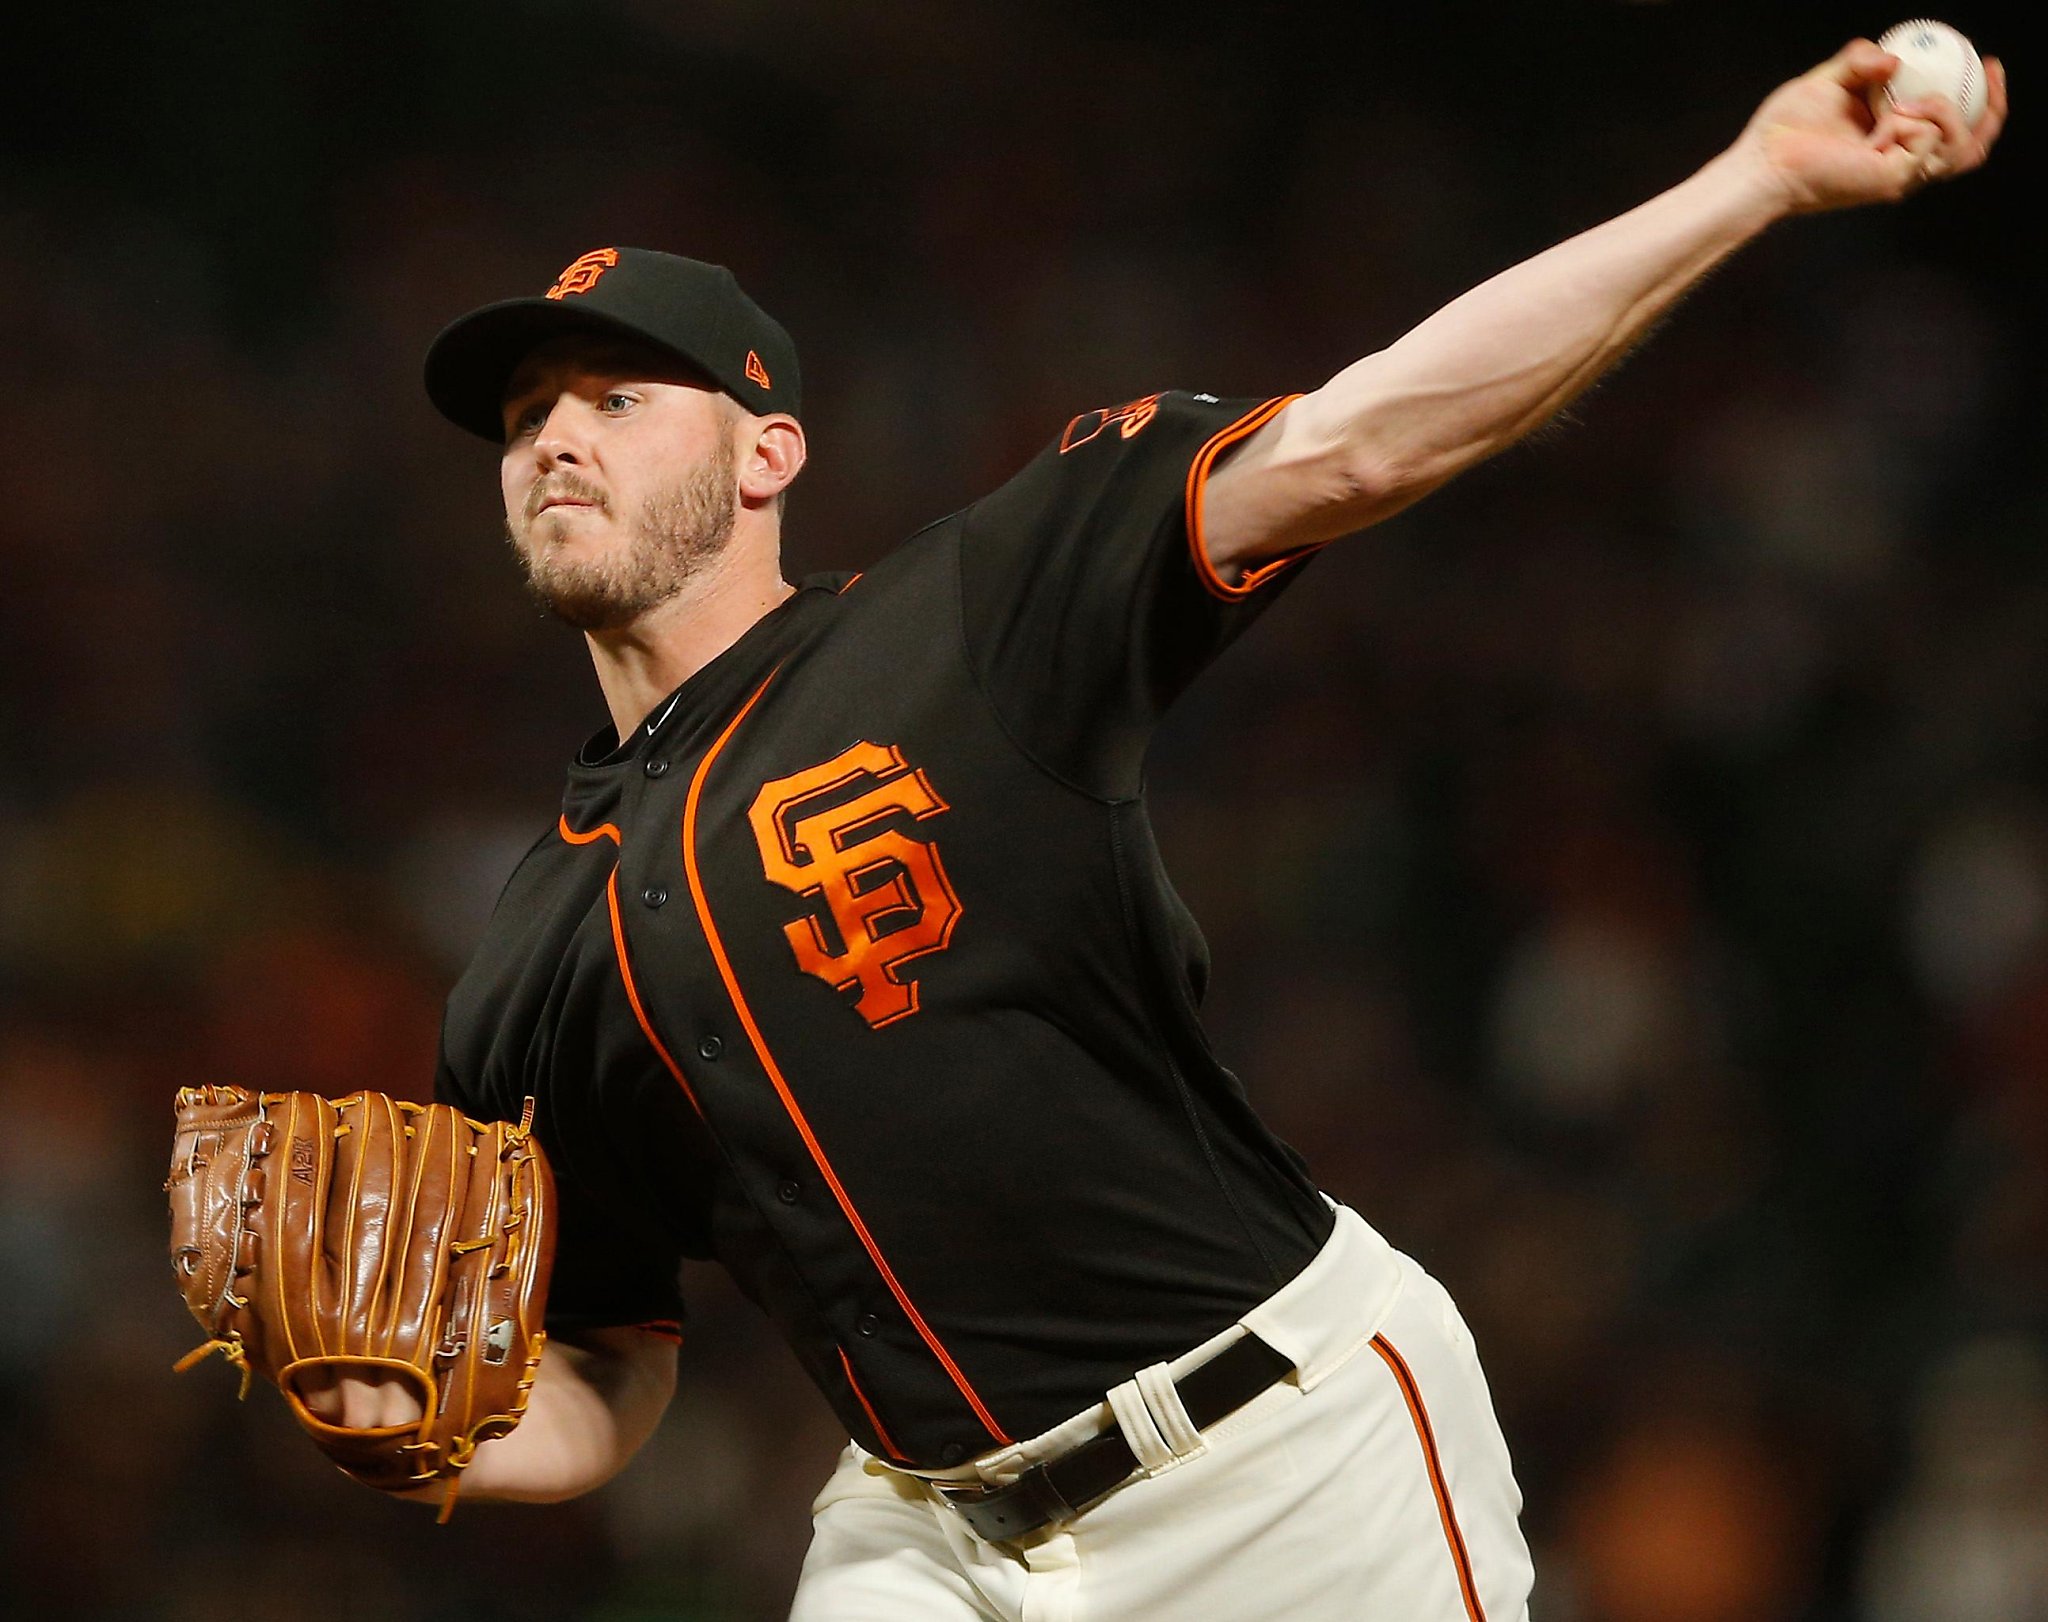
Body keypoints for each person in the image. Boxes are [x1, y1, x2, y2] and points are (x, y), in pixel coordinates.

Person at [310, 39, 2003, 1620]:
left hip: (1284, 1449)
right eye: (529, 415)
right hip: (926, 1531)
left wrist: (1753, 179)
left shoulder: (973, 608)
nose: (553, 439)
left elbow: (1356, 439)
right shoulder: (530, 952)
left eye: (617, 398)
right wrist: (413, 1423)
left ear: (768, 453)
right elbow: (614, 1359)